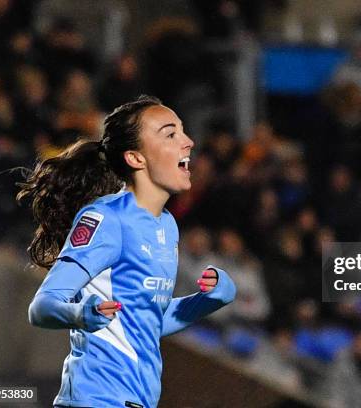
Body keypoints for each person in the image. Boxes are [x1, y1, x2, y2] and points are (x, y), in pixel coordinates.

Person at [18, 95, 236, 408]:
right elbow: (41, 307)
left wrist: (206, 302)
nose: (188, 141)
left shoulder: (167, 226)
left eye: (183, 131)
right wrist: (82, 314)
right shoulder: (106, 219)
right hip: (94, 401)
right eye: (170, 134)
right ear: (136, 158)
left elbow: (145, 320)